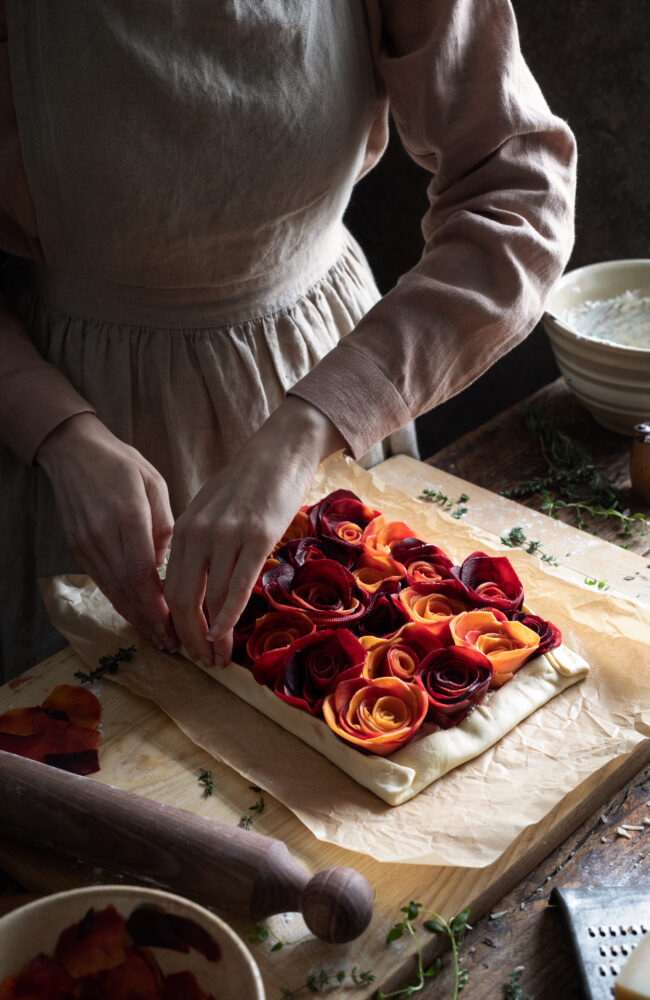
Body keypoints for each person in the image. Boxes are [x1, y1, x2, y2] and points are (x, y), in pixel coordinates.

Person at [0, 0, 576, 683]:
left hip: (332, 394)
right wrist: (57, 433)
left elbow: (521, 195)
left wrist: (309, 427)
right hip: (60, 443)